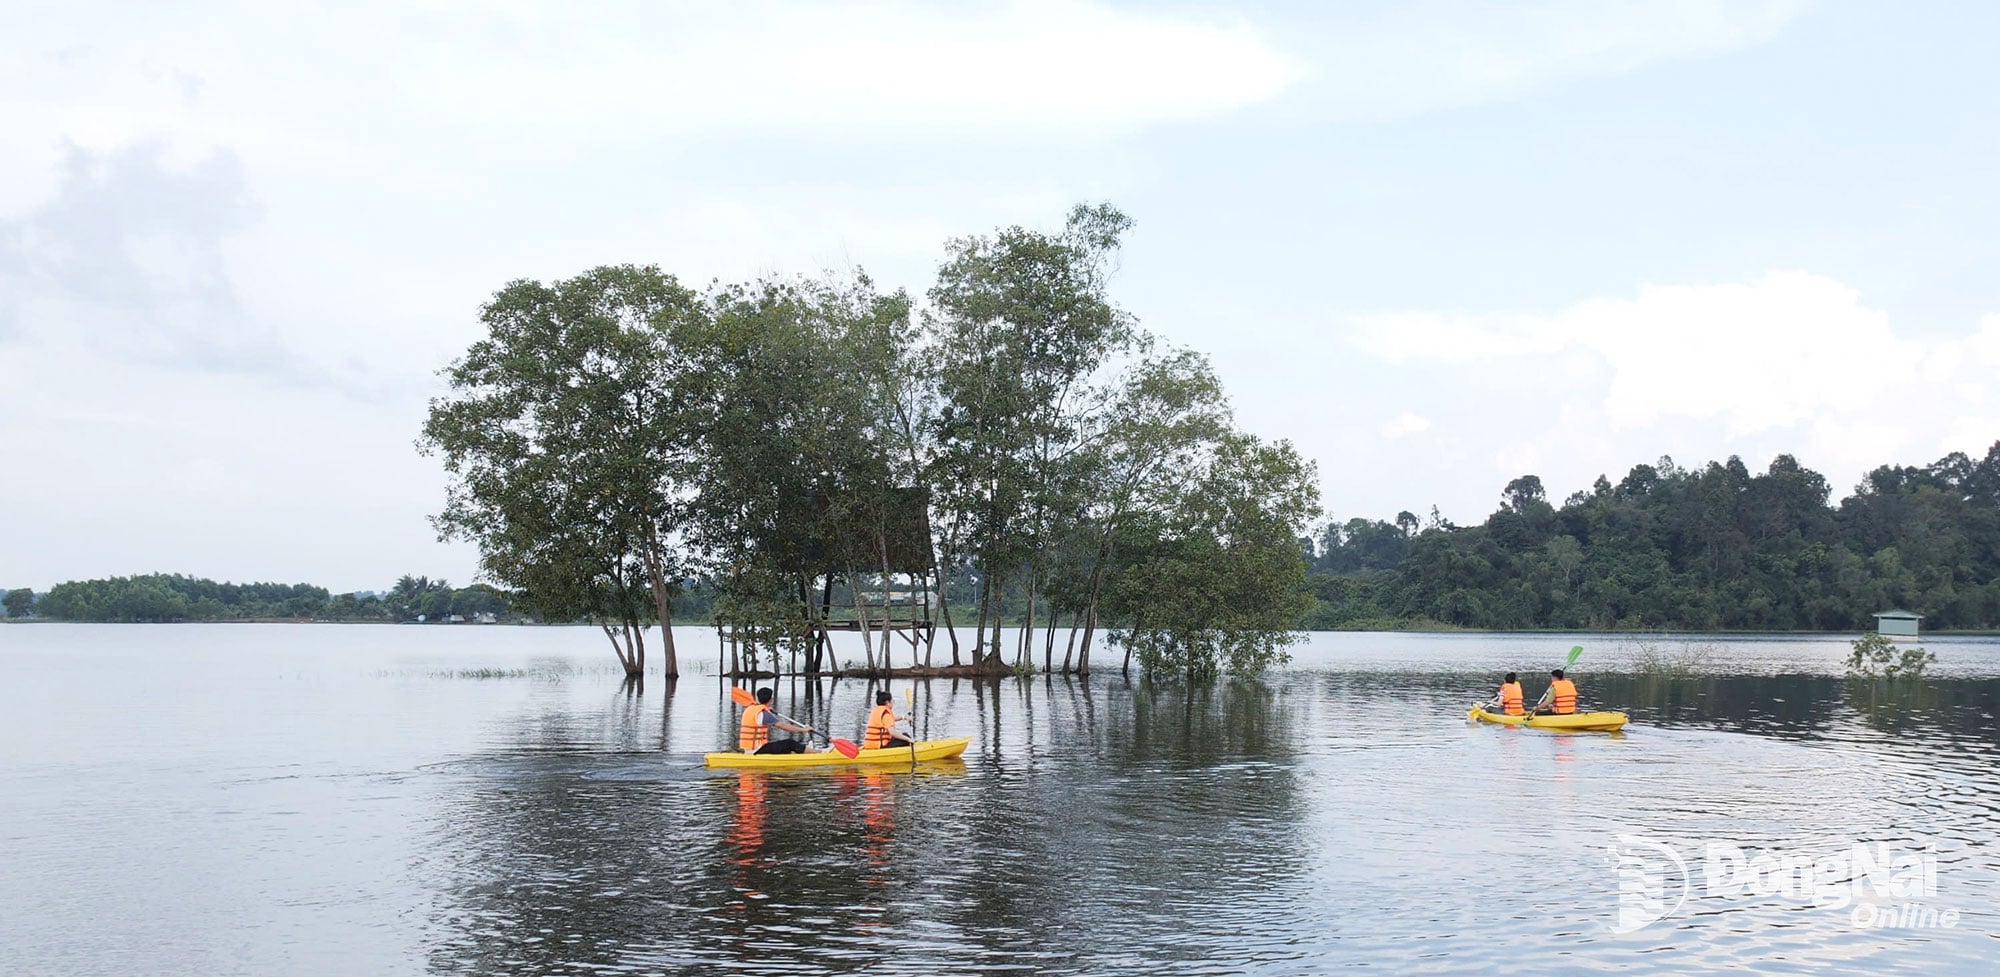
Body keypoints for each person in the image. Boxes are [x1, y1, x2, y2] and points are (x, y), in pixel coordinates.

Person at [739, 688, 816, 755]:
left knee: (783, 746)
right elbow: (784, 726)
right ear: (771, 700)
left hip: (749, 748)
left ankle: (805, 750)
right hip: (757, 750)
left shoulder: (750, 709)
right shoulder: (764, 714)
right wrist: (804, 730)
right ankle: (817, 753)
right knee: (789, 743)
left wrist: (767, 708)